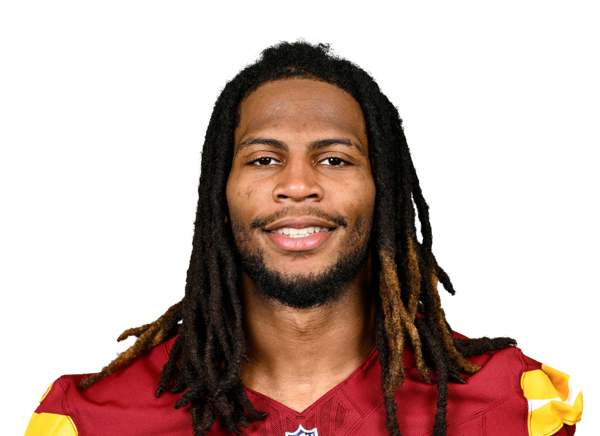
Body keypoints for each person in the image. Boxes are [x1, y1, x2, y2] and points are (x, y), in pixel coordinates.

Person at [24, 39, 583, 436]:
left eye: (334, 159)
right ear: (220, 196)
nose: (297, 186)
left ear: (382, 192)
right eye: (264, 159)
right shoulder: (89, 420)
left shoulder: (515, 404)